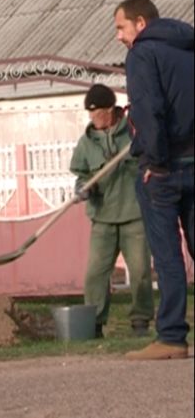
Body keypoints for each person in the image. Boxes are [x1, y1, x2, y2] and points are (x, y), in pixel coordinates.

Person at [114, 0, 194, 360]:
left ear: (140, 23)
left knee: (167, 257)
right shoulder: (188, 49)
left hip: (165, 169)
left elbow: (149, 109)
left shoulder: (143, 55)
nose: (118, 36)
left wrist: (154, 162)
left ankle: (172, 336)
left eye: (121, 27)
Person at [70, 84, 154, 339]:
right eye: (90, 115)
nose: (94, 120)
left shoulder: (134, 133)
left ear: (111, 110)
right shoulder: (86, 143)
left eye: (98, 114)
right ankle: (94, 324)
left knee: (139, 272)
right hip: (102, 219)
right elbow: (81, 175)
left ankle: (141, 322)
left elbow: (150, 161)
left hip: (134, 215)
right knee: (95, 273)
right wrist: (82, 188)